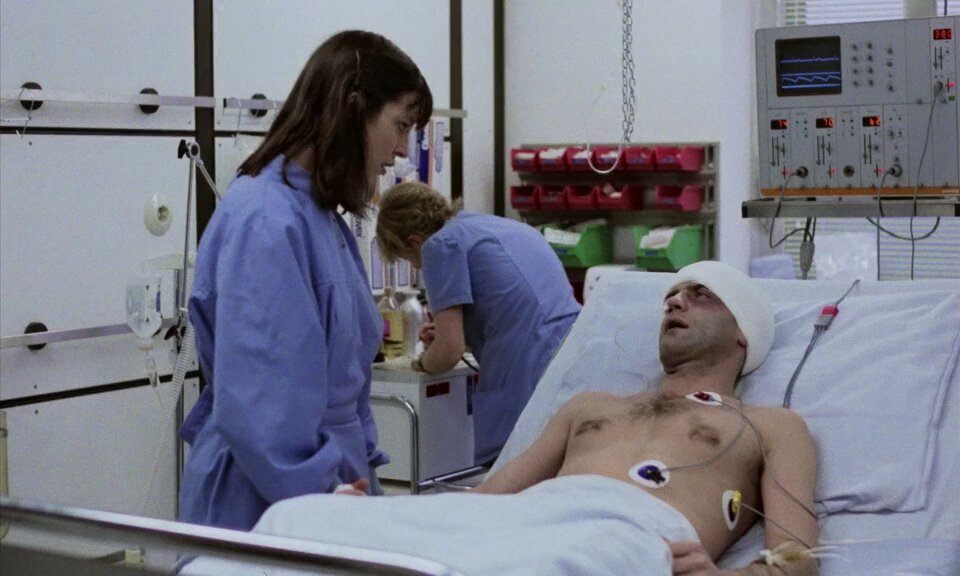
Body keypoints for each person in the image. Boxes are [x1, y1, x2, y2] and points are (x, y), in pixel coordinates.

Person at [177, 30, 433, 530]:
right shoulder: (267, 220)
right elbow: (261, 406)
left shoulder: (320, 218)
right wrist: (323, 493)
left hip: (328, 483)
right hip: (270, 497)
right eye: (400, 125)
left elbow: (346, 388)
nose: (402, 150)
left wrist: (361, 482)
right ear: (352, 106)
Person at [474, 260, 820, 575]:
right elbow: (487, 499)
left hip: (633, 538)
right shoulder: (588, 406)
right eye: (671, 297)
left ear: (743, 332)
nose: (675, 302)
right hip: (533, 526)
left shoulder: (770, 426)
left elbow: (797, 560)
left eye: (700, 294)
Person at [375, 181, 581, 465]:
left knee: (513, 473)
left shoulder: (439, 245)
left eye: (408, 258)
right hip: (573, 359)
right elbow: (515, 308)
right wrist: (462, 333)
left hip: (527, 373)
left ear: (414, 241)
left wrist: (421, 363)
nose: (416, 266)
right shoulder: (499, 227)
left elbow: (449, 353)